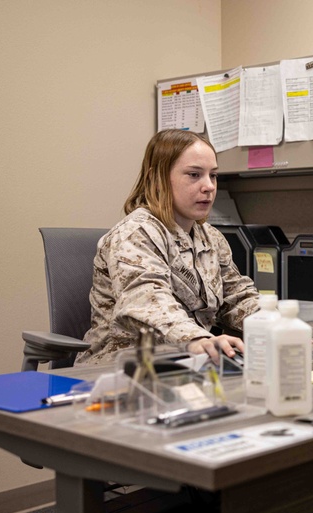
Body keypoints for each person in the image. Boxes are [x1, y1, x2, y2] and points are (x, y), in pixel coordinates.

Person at [75, 129, 260, 366]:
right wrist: (196, 338)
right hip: (122, 368)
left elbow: (236, 296)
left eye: (212, 176)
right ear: (157, 179)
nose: (209, 186)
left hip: (185, 363)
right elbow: (146, 299)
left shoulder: (211, 238)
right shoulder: (136, 233)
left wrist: (272, 322)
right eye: (194, 175)